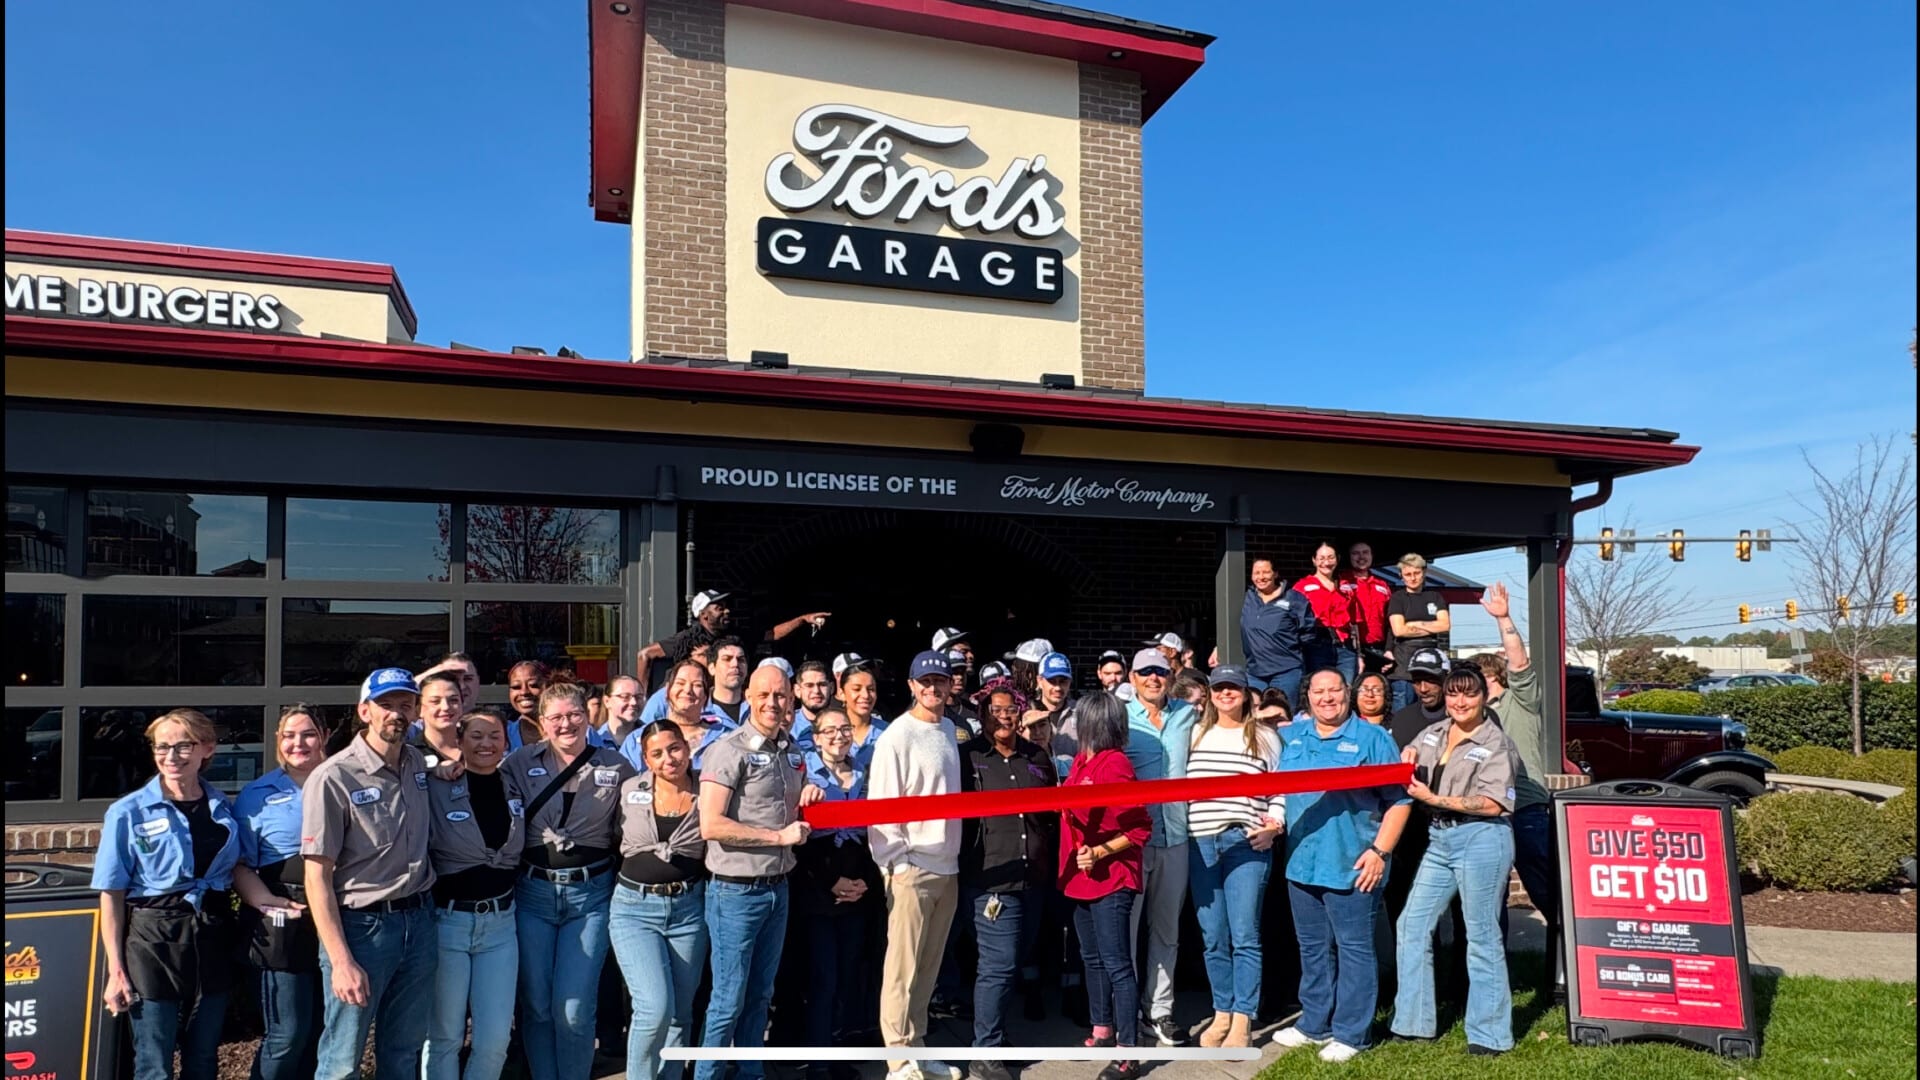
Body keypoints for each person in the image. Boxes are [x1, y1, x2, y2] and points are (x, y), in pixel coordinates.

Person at [302, 668, 439, 1080]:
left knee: (404, 1050)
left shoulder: (418, 763)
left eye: (404, 705)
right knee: (343, 1057)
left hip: (419, 921)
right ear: (364, 711)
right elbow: (316, 877)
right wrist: (341, 960)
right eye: (385, 705)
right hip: (363, 930)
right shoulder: (333, 777)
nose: (396, 714)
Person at [1270, 669, 1411, 1064]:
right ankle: (1315, 1024)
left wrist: (1380, 852)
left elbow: (1400, 802)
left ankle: (1353, 1032)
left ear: (1347, 694)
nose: (1327, 698)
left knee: (1354, 949)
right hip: (1302, 863)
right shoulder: (1291, 738)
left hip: (1353, 862)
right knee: (1313, 947)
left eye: (1335, 690)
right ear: (1308, 697)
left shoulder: (1373, 739)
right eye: (1319, 692)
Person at [95, 708, 243, 1080]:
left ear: (206, 749)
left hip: (212, 932)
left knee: (204, 1056)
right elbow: (111, 894)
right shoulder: (126, 812)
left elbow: (238, 871)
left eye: (182, 746)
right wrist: (116, 971)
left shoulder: (223, 808)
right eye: (162, 747)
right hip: (153, 939)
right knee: (154, 1062)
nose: (171, 756)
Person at [506, 682, 634, 1080]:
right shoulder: (517, 763)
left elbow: (633, 826)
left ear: (588, 715)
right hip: (534, 894)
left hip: (590, 896)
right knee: (538, 1004)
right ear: (542, 722)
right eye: (556, 717)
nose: (566, 724)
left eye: (574, 714)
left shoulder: (615, 765)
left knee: (576, 1009)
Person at [1390, 663, 1520, 1056]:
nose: (1460, 701)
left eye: (1469, 694)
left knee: (1481, 935)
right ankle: (1413, 1022)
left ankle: (1491, 1034)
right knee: (1411, 925)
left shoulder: (1496, 742)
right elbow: (1406, 759)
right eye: (1453, 693)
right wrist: (1406, 756)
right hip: (1439, 839)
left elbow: (1494, 804)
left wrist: (1434, 800)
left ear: (1483, 698)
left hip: (1482, 838)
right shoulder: (1432, 733)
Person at [695, 664, 814, 1080]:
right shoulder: (728, 750)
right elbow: (710, 824)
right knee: (728, 997)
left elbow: (792, 803)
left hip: (777, 890)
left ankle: (750, 1072)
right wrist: (779, 837)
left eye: (780, 695)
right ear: (747, 695)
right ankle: (707, 1074)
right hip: (735, 893)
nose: (772, 703)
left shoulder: (793, 750)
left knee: (761, 994)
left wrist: (810, 791)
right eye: (763, 695)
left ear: (791, 699)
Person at [867, 651, 966, 1080]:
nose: (933, 688)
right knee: (901, 969)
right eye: (925, 681)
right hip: (912, 866)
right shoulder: (897, 736)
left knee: (928, 967)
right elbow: (882, 806)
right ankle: (898, 1058)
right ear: (911, 685)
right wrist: (895, 864)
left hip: (948, 865)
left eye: (940, 680)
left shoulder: (948, 729)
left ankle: (919, 1046)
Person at [959, 686, 1059, 1080]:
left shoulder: (1037, 757)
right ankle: (984, 1052)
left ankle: (995, 1038)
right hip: (990, 880)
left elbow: (1051, 814)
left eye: (1011, 710)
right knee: (997, 966)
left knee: (1014, 961)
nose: (1004, 717)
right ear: (982, 715)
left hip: (1032, 877)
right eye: (995, 710)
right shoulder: (968, 759)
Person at [1183, 665, 1284, 1050]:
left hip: (1245, 842)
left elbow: (1280, 791)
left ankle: (1244, 1016)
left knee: (1245, 935)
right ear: (1209, 694)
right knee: (1213, 936)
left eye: (1233, 688)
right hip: (1200, 841)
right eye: (1219, 688)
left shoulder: (1265, 737)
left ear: (1245, 693)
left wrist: (1274, 824)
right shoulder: (1195, 734)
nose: (1226, 694)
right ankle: (1221, 1010)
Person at [1058, 692, 1153, 1080]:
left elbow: (1140, 827)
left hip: (1111, 877)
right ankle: (1102, 1027)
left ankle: (1128, 1050)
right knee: (1092, 957)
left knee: (1116, 963)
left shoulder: (1115, 765)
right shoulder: (1083, 760)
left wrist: (1099, 852)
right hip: (1082, 878)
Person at [609, 720, 711, 1080]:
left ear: (687, 746)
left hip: (688, 909)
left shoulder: (708, 790)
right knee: (654, 1008)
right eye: (657, 753)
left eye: (674, 748)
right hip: (634, 910)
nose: (669, 758)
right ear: (646, 759)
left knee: (681, 1011)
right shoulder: (628, 790)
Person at [424, 710, 523, 1080]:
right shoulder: (435, 786)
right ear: (460, 741)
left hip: (501, 925)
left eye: (494, 735)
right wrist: (436, 767)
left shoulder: (515, 785)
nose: (486, 744)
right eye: (477, 736)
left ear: (506, 741)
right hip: (448, 922)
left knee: (495, 1038)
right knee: (445, 1036)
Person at [233, 705, 330, 1080]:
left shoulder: (343, 780)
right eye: (288, 735)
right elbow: (239, 864)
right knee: (288, 1033)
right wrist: (262, 900)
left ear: (324, 736)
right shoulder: (256, 794)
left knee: (323, 1031)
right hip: (285, 922)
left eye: (307, 734)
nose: (298, 743)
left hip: (338, 919)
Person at [795, 705, 883, 1080]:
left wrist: (865, 881)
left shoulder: (865, 774)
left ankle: (836, 1050)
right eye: (828, 731)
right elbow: (801, 843)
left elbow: (874, 833)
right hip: (819, 886)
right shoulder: (804, 775)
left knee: (848, 975)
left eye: (844, 729)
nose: (838, 736)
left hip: (858, 884)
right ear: (815, 739)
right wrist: (831, 882)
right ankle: (817, 1063)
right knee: (823, 979)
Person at [1469, 583, 1557, 947]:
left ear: (1492, 677)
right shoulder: (1472, 717)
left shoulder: (1520, 700)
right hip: (1488, 813)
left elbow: (1519, 662)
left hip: (1527, 807)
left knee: (1545, 889)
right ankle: (1497, 969)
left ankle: (1571, 960)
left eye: (1474, 679)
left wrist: (1503, 617)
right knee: (1490, 898)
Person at [1122, 647, 1197, 1047]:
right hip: (1132, 841)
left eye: (1160, 671)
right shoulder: (1121, 720)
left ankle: (1160, 1011)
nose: (1154, 678)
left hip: (1177, 836)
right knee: (1128, 931)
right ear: (1132, 679)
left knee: (1167, 931)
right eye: (1145, 672)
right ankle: (1127, 1011)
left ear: (1171, 675)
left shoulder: (1189, 715)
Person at [636, 589, 830, 692]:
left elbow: (773, 634)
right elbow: (645, 654)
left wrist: (802, 619)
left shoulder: (735, 636)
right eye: (719, 608)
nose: (726, 611)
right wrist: (642, 693)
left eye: (726, 607)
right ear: (703, 614)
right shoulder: (686, 639)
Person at [621, 658, 736, 773]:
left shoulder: (727, 736)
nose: (687, 690)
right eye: (680, 683)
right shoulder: (637, 740)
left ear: (706, 696)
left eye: (697, 685)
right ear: (667, 691)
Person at [1241, 558, 1318, 704]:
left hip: (1286, 671)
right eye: (1256, 573)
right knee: (1254, 717)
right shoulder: (1248, 597)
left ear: (1275, 574)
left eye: (1266, 572)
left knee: (1283, 715)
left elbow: (1308, 632)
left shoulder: (1294, 598)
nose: (1261, 577)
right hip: (1254, 673)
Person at [1387, 554, 1451, 711]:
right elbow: (1399, 630)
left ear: (1424, 572)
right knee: (1403, 713)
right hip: (1404, 667)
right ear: (1401, 576)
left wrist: (1415, 624)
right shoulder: (1398, 598)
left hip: (1431, 663)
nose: (1413, 578)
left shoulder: (1435, 596)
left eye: (1416, 573)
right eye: (1408, 574)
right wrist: (1430, 626)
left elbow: (1445, 625)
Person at [1293, 543, 1358, 680]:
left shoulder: (1346, 586)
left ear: (1337, 559)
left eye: (1330, 557)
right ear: (1314, 560)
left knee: (1346, 688)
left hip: (1345, 647)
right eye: (1321, 558)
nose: (1326, 562)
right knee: (1320, 686)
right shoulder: (1302, 587)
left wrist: (1360, 654)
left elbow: (1354, 620)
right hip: (1317, 645)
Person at [1343, 543, 1396, 676]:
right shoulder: (1342, 582)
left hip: (1378, 649)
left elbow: (1390, 621)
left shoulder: (1382, 585)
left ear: (1372, 556)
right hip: (1352, 650)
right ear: (1349, 557)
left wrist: (1389, 649)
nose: (1361, 557)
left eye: (1365, 552)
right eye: (1355, 553)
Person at [840, 660, 889, 772]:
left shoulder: (888, 732)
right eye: (857, 689)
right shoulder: (830, 732)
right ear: (842, 694)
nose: (865, 695)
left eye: (871, 689)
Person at [413, 670, 465, 767]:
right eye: (435, 701)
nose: (445, 707)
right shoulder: (409, 753)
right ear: (419, 709)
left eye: (453, 700)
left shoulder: (476, 748)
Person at [789, 659, 836, 751]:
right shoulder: (787, 724)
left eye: (822, 685)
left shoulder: (843, 723)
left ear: (831, 688)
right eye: (809, 685)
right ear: (797, 690)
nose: (816, 691)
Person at [419, 652, 483, 719]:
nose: (462, 687)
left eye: (468, 679)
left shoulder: (492, 724)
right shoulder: (419, 727)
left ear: (478, 681)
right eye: (453, 679)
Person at [707, 636, 752, 725]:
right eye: (727, 659)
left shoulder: (757, 708)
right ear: (712, 668)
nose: (735, 664)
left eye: (741, 660)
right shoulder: (697, 710)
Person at [505, 660, 549, 751]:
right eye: (516, 687)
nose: (524, 692)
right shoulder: (503, 734)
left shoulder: (567, 731)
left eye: (533, 685)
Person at [603, 674, 646, 748]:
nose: (634, 702)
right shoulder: (595, 741)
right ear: (607, 701)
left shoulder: (652, 736)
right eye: (625, 697)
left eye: (638, 697)